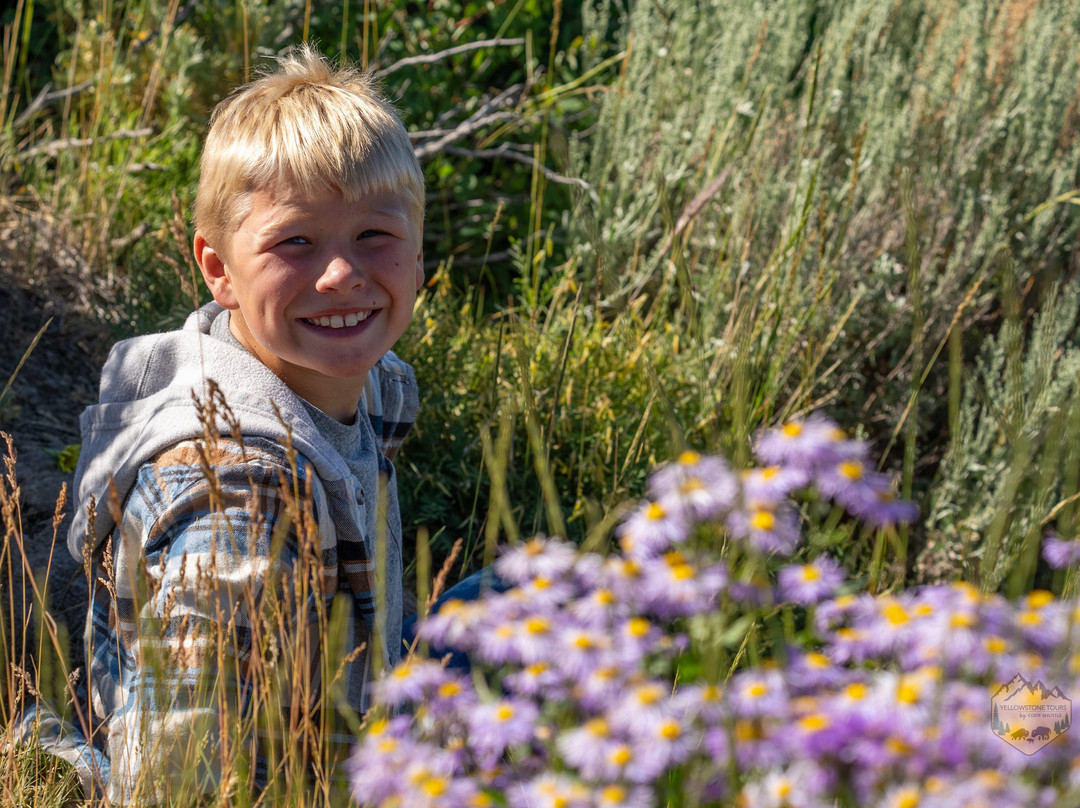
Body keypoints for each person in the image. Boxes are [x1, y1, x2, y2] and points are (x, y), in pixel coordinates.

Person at [18, 45, 425, 803]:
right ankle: (49, 755)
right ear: (218, 269)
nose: (340, 274)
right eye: (294, 242)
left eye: (375, 235)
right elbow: (184, 782)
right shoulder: (240, 510)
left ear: (420, 250)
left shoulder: (358, 385)